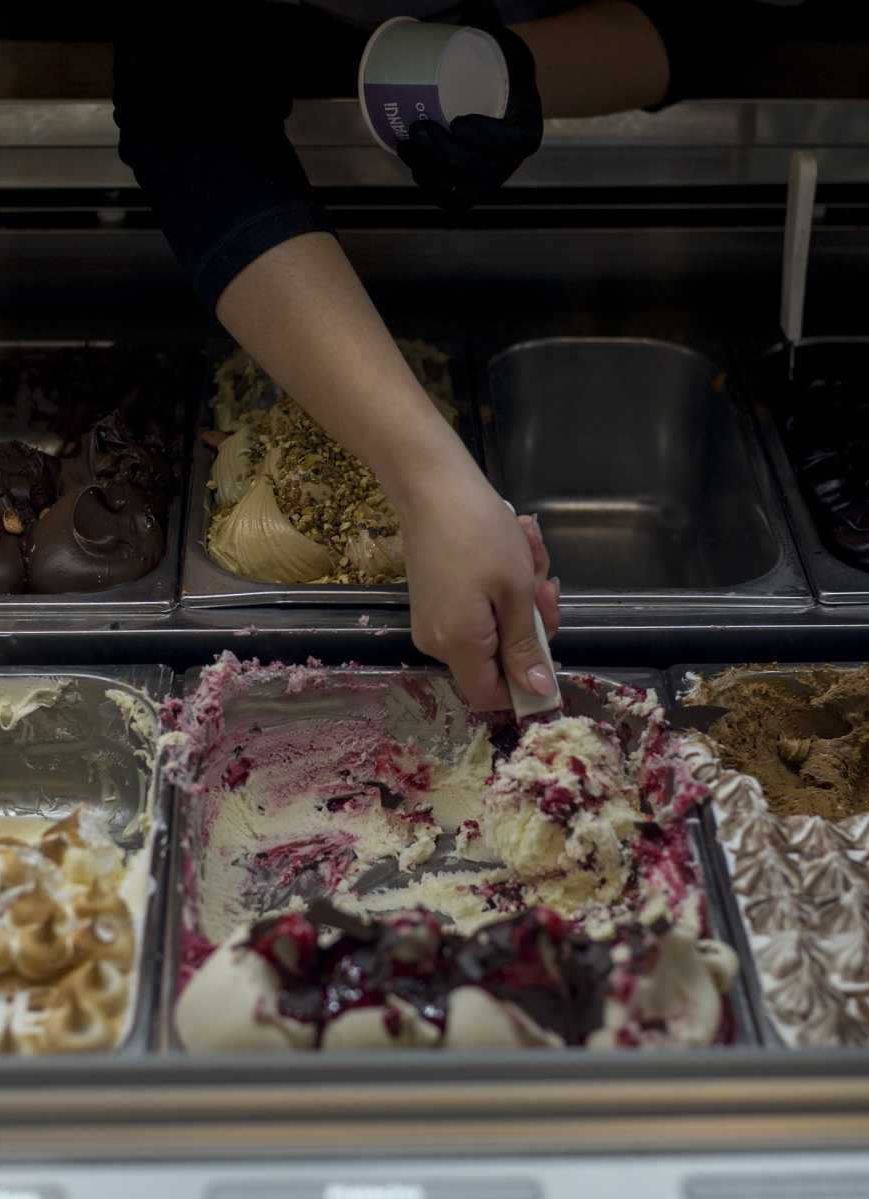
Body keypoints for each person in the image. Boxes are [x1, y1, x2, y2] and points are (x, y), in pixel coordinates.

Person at [114, 2, 674, 711]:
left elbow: (715, 33)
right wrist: (430, 478)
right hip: (252, 241)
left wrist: (518, 68)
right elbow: (184, 96)